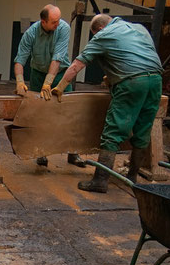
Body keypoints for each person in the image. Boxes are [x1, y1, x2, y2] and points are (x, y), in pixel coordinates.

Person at [51, 14, 163, 193]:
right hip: (156, 80)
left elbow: (77, 65)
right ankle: (132, 178)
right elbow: (135, 57)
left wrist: (60, 87)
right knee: (143, 131)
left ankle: (100, 181)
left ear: (99, 29)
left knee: (113, 132)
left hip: (132, 83)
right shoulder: (139, 29)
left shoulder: (103, 35)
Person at [13, 4, 85, 168]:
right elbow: (20, 59)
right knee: (40, 113)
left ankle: (73, 152)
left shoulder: (63, 28)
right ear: (43, 21)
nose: (57, 24)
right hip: (37, 73)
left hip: (60, 74)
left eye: (58, 20)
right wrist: (19, 81)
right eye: (53, 21)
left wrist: (49, 83)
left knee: (68, 112)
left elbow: (57, 58)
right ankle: (41, 153)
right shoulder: (31, 33)